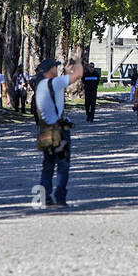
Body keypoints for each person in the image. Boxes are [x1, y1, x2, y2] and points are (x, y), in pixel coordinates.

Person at [32, 56, 81, 207]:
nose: (56, 69)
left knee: (48, 165)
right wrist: (78, 62)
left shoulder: (41, 85)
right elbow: (78, 74)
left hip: (46, 130)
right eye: (55, 67)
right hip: (59, 132)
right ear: (49, 70)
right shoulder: (55, 83)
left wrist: (66, 72)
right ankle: (60, 197)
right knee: (63, 165)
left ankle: (44, 197)